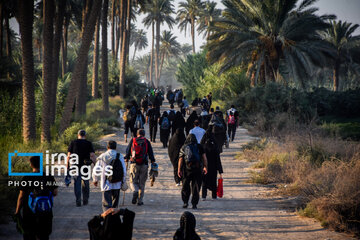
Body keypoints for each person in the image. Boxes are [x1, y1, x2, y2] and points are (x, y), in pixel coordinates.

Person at [15, 156, 58, 240]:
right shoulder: (48, 176)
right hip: (45, 212)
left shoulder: (26, 178)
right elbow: (55, 193)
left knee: (29, 235)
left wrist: (17, 211)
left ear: (31, 165)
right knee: (44, 235)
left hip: (29, 213)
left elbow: (21, 196)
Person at [93, 141, 126, 212]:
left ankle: (107, 219)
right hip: (117, 184)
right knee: (115, 206)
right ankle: (113, 220)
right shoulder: (120, 156)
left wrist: (95, 179)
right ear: (116, 147)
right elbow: (124, 171)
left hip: (105, 184)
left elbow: (96, 170)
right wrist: (123, 181)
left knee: (106, 205)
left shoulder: (102, 157)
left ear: (107, 147)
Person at [125, 129, 156, 206]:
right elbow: (151, 153)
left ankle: (135, 191)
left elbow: (128, 151)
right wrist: (152, 161)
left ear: (137, 134)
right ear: (144, 134)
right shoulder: (146, 141)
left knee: (133, 181)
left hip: (134, 164)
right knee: (142, 183)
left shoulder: (133, 140)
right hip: (144, 164)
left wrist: (127, 159)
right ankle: (140, 201)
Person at [178, 134, 208, 209]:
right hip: (198, 169)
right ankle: (194, 204)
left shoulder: (184, 147)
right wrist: (205, 167)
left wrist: (179, 169)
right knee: (196, 187)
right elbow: (204, 158)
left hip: (187, 170)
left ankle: (185, 202)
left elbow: (181, 159)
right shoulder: (199, 146)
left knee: (185, 186)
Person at [67, 129, 96, 206]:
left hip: (75, 166)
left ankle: (78, 200)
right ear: (85, 135)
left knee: (77, 183)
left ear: (78, 135)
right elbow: (92, 155)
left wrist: (68, 166)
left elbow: (69, 156)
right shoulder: (88, 143)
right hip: (85, 166)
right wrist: (95, 165)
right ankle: (85, 200)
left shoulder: (73, 142)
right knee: (86, 183)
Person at [200, 130, 223, 200]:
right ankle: (214, 196)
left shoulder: (203, 148)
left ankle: (204, 196)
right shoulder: (215, 148)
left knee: (204, 181)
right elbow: (218, 160)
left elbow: (201, 159)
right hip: (213, 168)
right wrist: (220, 171)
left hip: (205, 167)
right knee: (213, 181)